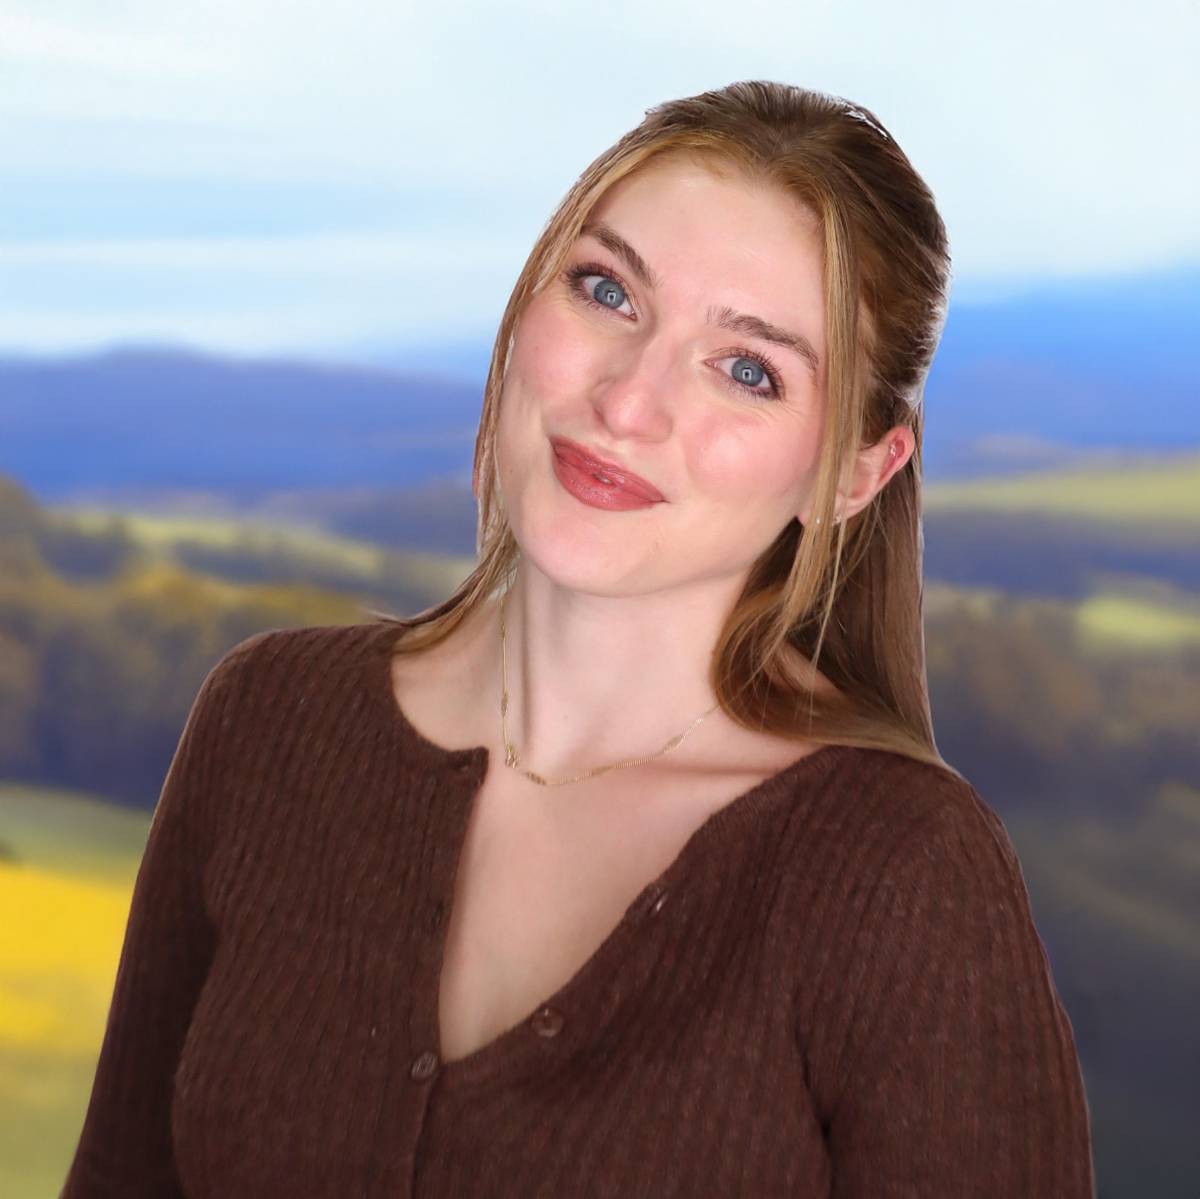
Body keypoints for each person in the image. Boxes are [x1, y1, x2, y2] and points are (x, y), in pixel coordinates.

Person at [62, 81, 1097, 1197]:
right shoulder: (269, 719)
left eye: (748, 369)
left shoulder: (902, 872)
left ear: (854, 473)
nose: (628, 401)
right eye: (608, 291)